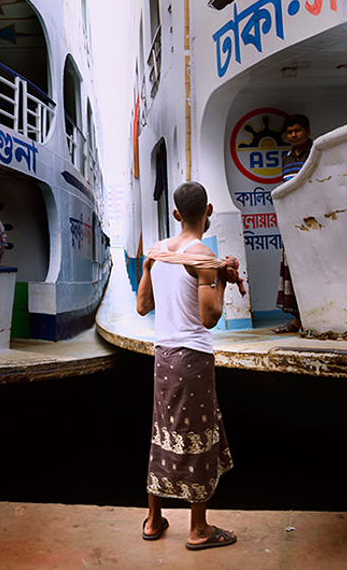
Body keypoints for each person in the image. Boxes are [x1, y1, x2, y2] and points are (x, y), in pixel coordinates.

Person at [135, 181, 238, 552]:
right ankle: (197, 528)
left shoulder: (157, 252)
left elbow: (143, 307)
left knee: (163, 431)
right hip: (192, 358)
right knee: (195, 434)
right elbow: (209, 318)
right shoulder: (203, 256)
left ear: (176, 214)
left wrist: (148, 268)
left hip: (163, 356)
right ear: (208, 211)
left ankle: (154, 519)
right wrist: (221, 282)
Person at [274, 113, 313, 334]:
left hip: (314, 223)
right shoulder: (287, 158)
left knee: (313, 270)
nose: (293, 135)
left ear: (308, 131)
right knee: (294, 272)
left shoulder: (315, 154)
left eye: (297, 130)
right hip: (292, 224)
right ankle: (298, 320)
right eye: (289, 132)